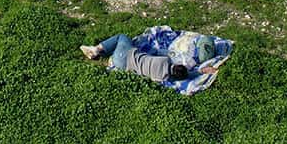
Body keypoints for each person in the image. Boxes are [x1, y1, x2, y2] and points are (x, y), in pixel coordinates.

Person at [80, 34, 215, 83]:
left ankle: (96, 49)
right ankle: (100, 54)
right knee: (117, 48)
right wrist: (200, 72)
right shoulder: (163, 78)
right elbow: (187, 75)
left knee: (122, 37)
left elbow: (158, 52)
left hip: (127, 55)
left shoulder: (166, 60)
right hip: (122, 66)